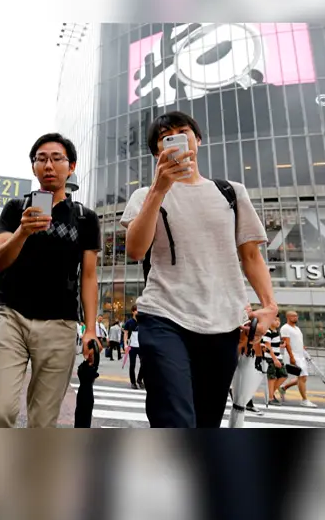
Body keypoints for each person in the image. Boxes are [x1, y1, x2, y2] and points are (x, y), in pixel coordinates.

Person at [120, 111, 277, 428]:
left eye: (182, 131)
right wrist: (158, 189)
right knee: (174, 416)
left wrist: (270, 306)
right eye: (167, 136)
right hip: (163, 315)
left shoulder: (230, 192)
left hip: (223, 322)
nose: (176, 137)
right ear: (157, 152)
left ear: (198, 140)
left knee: (206, 420)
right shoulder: (144, 196)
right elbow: (136, 249)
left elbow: (251, 256)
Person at [0, 133, 101, 428]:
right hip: (11, 316)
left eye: (57, 158)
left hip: (60, 323)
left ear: (71, 166)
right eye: (41, 159)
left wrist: (90, 329)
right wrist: (23, 231)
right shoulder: (15, 208)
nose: (49, 165)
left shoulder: (85, 218)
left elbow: (88, 276)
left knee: (43, 421)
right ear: (33, 167)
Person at [278, 311, 318, 408]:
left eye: (296, 316)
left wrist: (303, 349)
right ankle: (304, 400)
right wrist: (291, 357)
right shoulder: (285, 328)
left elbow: (299, 341)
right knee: (302, 377)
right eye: (293, 316)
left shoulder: (297, 328)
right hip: (293, 355)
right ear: (288, 317)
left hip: (301, 355)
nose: (296, 317)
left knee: (302, 377)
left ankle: (283, 387)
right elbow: (287, 343)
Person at [263, 317, 288, 406]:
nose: (277, 322)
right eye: (275, 320)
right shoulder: (268, 332)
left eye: (279, 320)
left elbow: (273, 345)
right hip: (271, 358)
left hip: (277, 357)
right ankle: (270, 398)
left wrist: (281, 346)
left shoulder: (276, 332)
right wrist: (274, 359)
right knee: (272, 377)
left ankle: (270, 394)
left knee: (283, 375)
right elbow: (267, 346)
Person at [124, 308, 145, 390]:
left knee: (144, 363)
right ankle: (133, 382)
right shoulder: (129, 322)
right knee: (132, 365)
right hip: (132, 346)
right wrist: (125, 344)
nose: (138, 312)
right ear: (133, 311)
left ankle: (139, 380)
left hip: (141, 346)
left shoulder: (143, 322)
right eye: (136, 310)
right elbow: (125, 334)